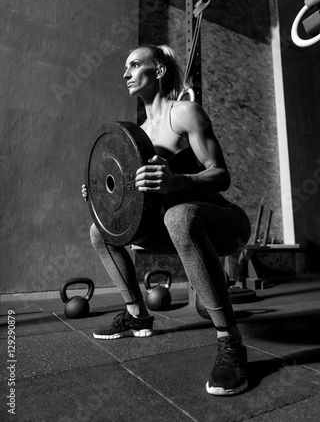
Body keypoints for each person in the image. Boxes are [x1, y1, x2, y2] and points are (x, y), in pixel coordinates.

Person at [82, 44, 251, 396]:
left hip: (223, 223)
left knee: (179, 214)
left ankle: (230, 342)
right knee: (100, 231)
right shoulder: (138, 135)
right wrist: (103, 195)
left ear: (157, 71)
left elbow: (221, 175)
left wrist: (178, 181)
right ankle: (137, 315)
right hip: (178, 230)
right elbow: (132, 197)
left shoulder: (186, 113)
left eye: (135, 65)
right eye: (125, 67)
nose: (125, 73)